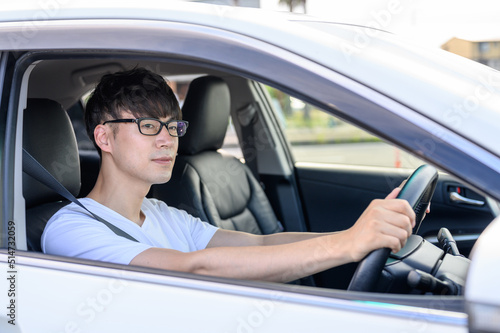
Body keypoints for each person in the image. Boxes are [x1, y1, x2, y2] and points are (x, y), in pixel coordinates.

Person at [41, 68, 415, 283]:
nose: (168, 140)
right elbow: (194, 267)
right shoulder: (70, 230)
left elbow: (259, 246)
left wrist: (361, 235)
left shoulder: (161, 213)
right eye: (150, 125)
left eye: (174, 127)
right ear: (104, 136)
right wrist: (346, 245)